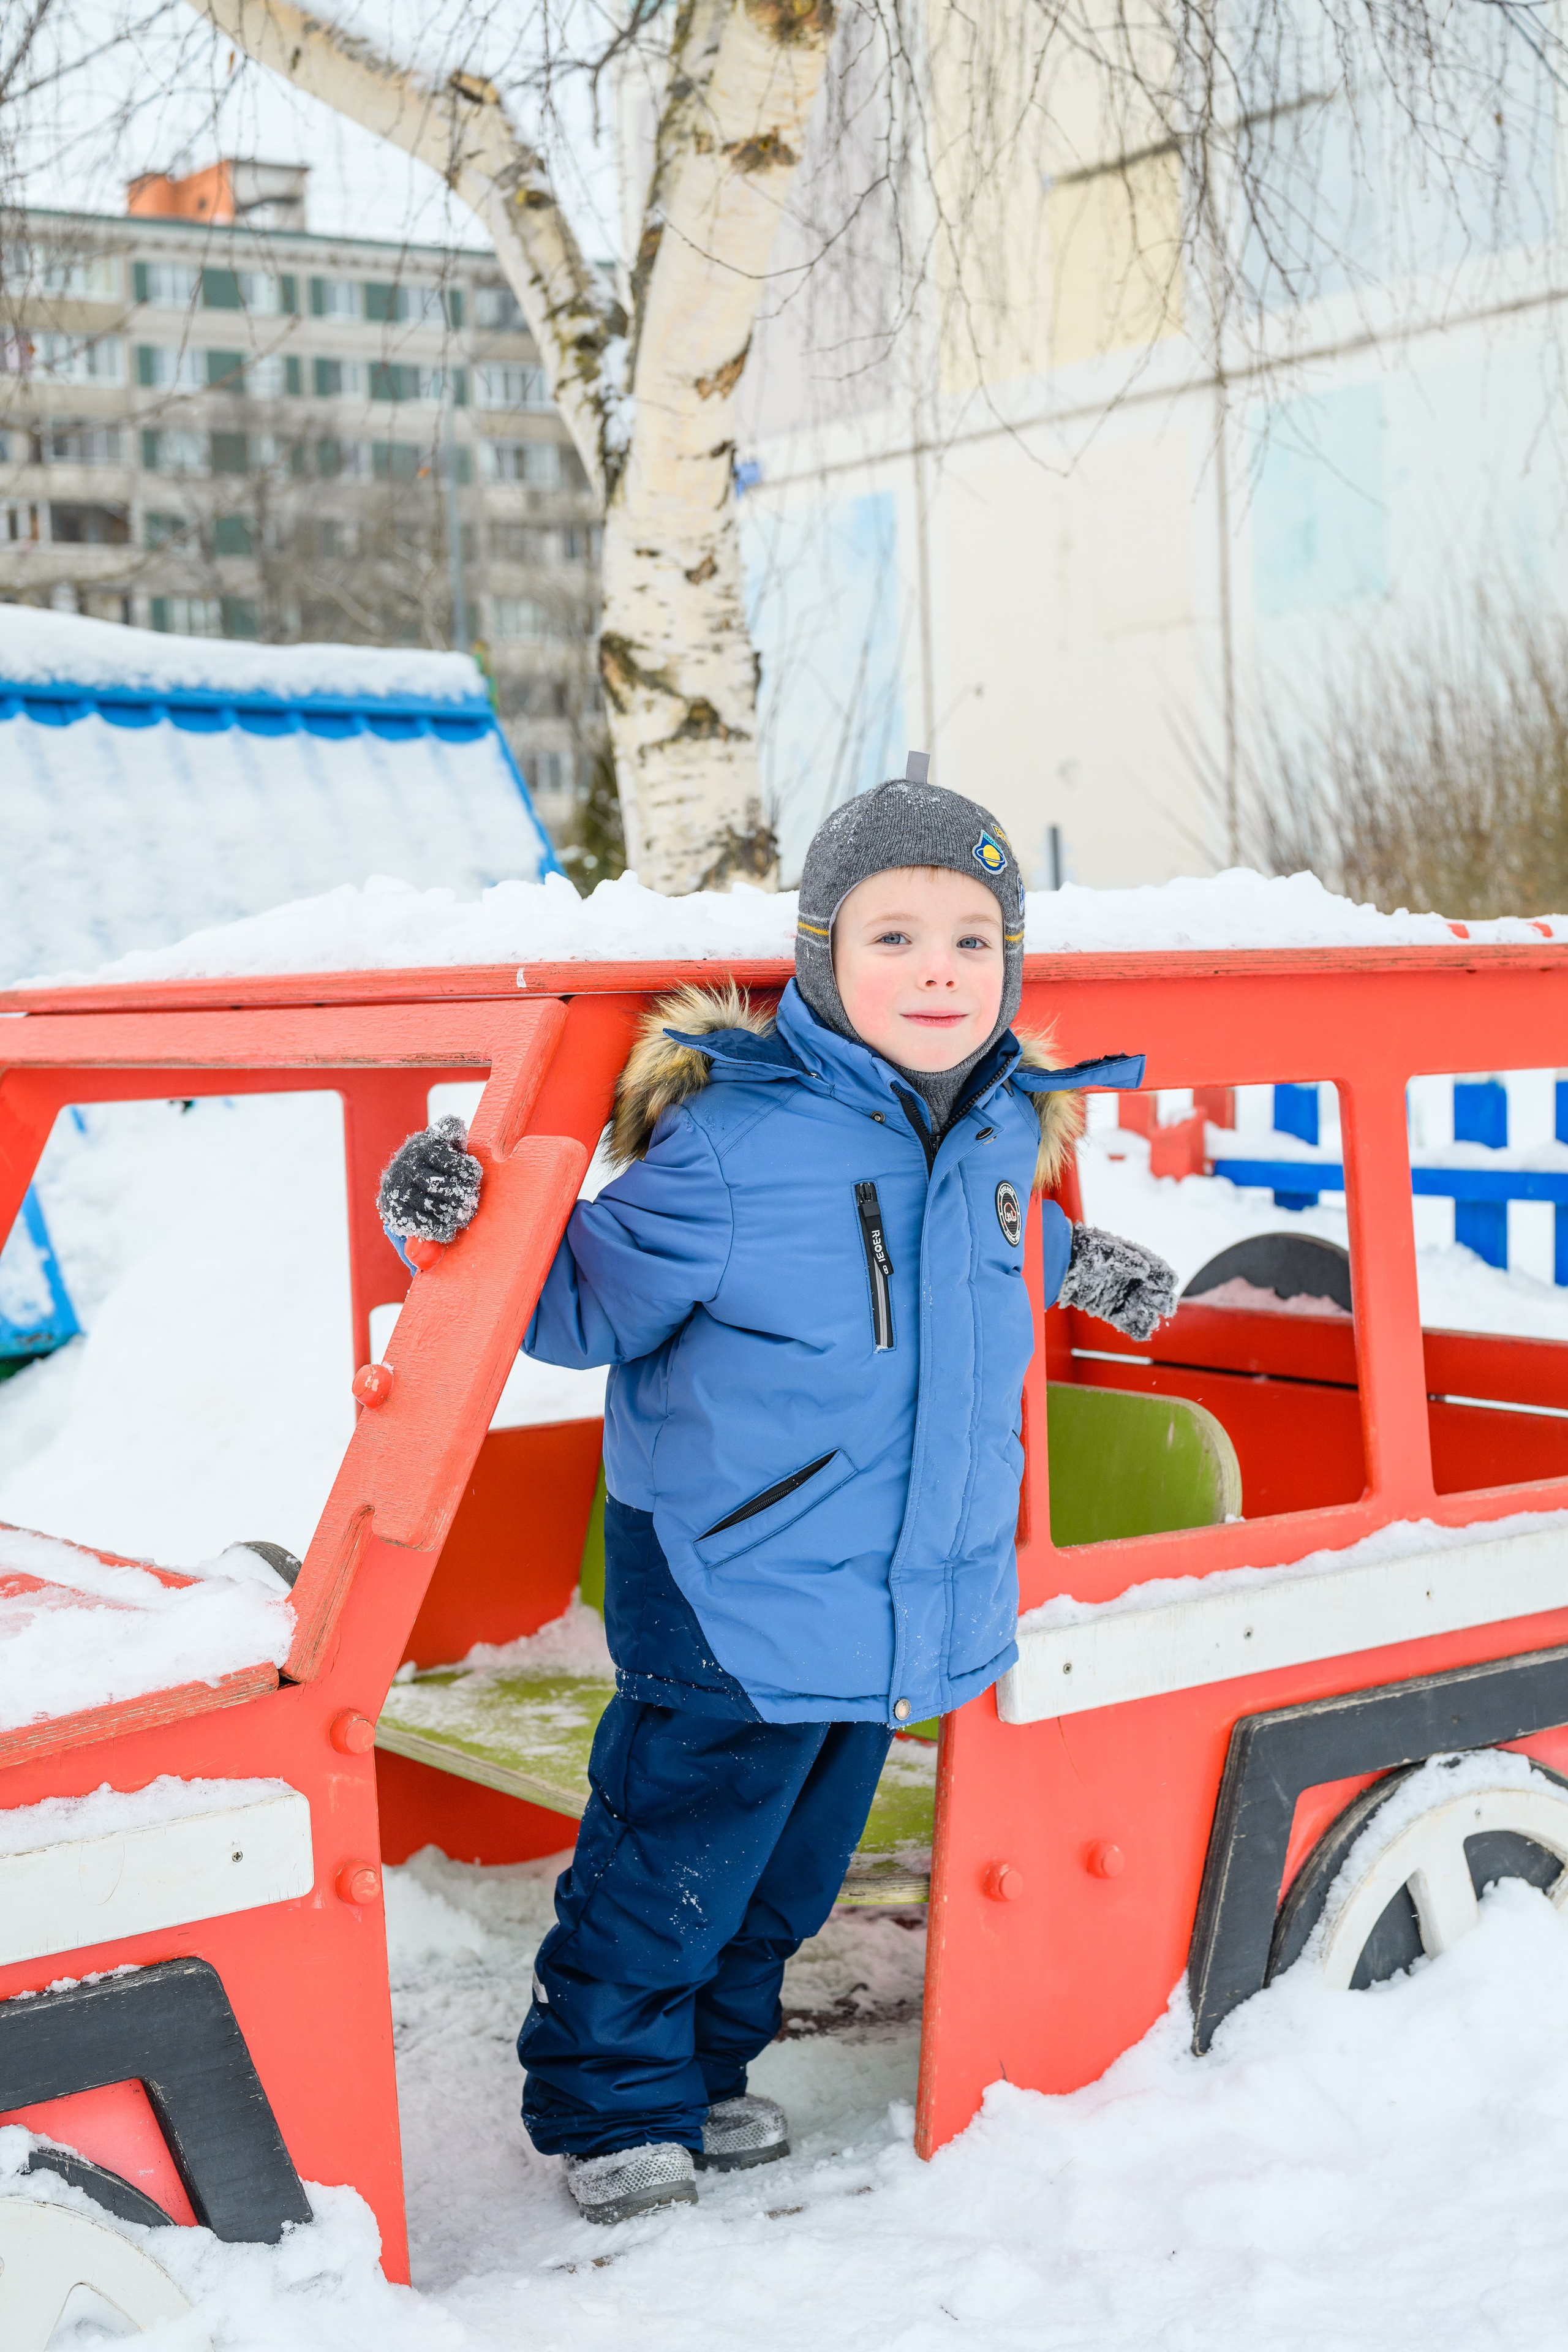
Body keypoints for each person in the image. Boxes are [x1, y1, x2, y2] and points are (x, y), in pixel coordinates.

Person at [379, 770, 1175, 2226]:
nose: (937, 970)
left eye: (972, 940)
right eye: (893, 937)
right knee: (672, 1863)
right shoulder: (738, 1137)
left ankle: (703, 2072)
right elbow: (580, 1304)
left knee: (789, 1879)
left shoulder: (1005, 1129)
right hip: (731, 1584)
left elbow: (977, 1243)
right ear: (819, 954)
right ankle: (610, 2104)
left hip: (891, 1598)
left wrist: (1079, 1264)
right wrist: (462, 1228)